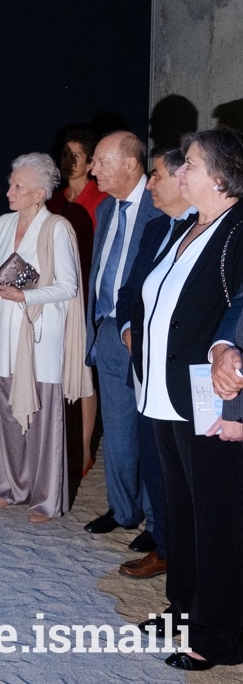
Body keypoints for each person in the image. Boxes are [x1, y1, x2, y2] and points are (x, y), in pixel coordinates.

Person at [133, 129, 243, 670]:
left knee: (218, 518)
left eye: (190, 165)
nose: (178, 173)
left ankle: (216, 635)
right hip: (167, 396)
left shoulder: (238, 228)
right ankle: (183, 612)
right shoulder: (187, 229)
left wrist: (237, 405)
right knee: (182, 514)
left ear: (221, 177)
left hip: (214, 401)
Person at [0, 152, 91, 523]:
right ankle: (10, 487)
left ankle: (45, 499)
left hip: (40, 337)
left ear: (40, 193)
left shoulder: (57, 227)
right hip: (3, 332)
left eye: (18, 186)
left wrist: (25, 295)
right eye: (11, 184)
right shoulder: (2, 223)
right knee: (10, 414)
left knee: (43, 418)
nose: (9, 191)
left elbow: (68, 286)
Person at [113, 146, 194, 581]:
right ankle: (164, 546)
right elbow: (130, 291)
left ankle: (184, 555)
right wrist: (127, 328)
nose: (149, 184)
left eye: (157, 175)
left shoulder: (210, 232)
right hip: (144, 370)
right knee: (154, 463)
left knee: (184, 476)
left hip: (183, 379)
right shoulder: (155, 228)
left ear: (185, 179)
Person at [81, 132, 162, 544]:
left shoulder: (163, 205)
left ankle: (155, 521)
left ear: (131, 164)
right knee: (116, 429)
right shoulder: (107, 209)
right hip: (108, 331)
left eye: (100, 161)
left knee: (150, 430)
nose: (92, 169)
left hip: (145, 337)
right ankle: (123, 509)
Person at [46, 128, 102, 471]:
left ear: (91, 161)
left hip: (85, 295)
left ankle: (83, 449)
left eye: (76, 156)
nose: (69, 161)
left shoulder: (101, 199)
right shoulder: (54, 199)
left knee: (83, 375)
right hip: (55, 296)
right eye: (64, 155)